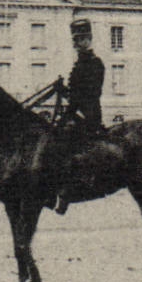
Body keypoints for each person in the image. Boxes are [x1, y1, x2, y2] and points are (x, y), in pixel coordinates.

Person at [52, 18, 105, 215]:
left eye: (81, 39)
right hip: (76, 111)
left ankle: (70, 190)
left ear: (89, 40)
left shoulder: (94, 63)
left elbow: (92, 93)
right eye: (75, 40)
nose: (77, 44)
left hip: (89, 114)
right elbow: (75, 93)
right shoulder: (79, 64)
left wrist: (70, 104)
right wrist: (63, 91)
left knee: (67, 142)